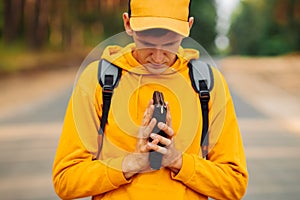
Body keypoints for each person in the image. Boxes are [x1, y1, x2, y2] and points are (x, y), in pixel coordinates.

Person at [52, 0, 248, 199]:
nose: (157, 57)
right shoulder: (97, 81)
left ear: (188, 27)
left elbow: (234, 183)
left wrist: (177, 161)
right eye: (147, 44)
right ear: (128, 24)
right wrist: (132, 163)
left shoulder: (207, 83)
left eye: (170, 44)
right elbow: (66, 180)